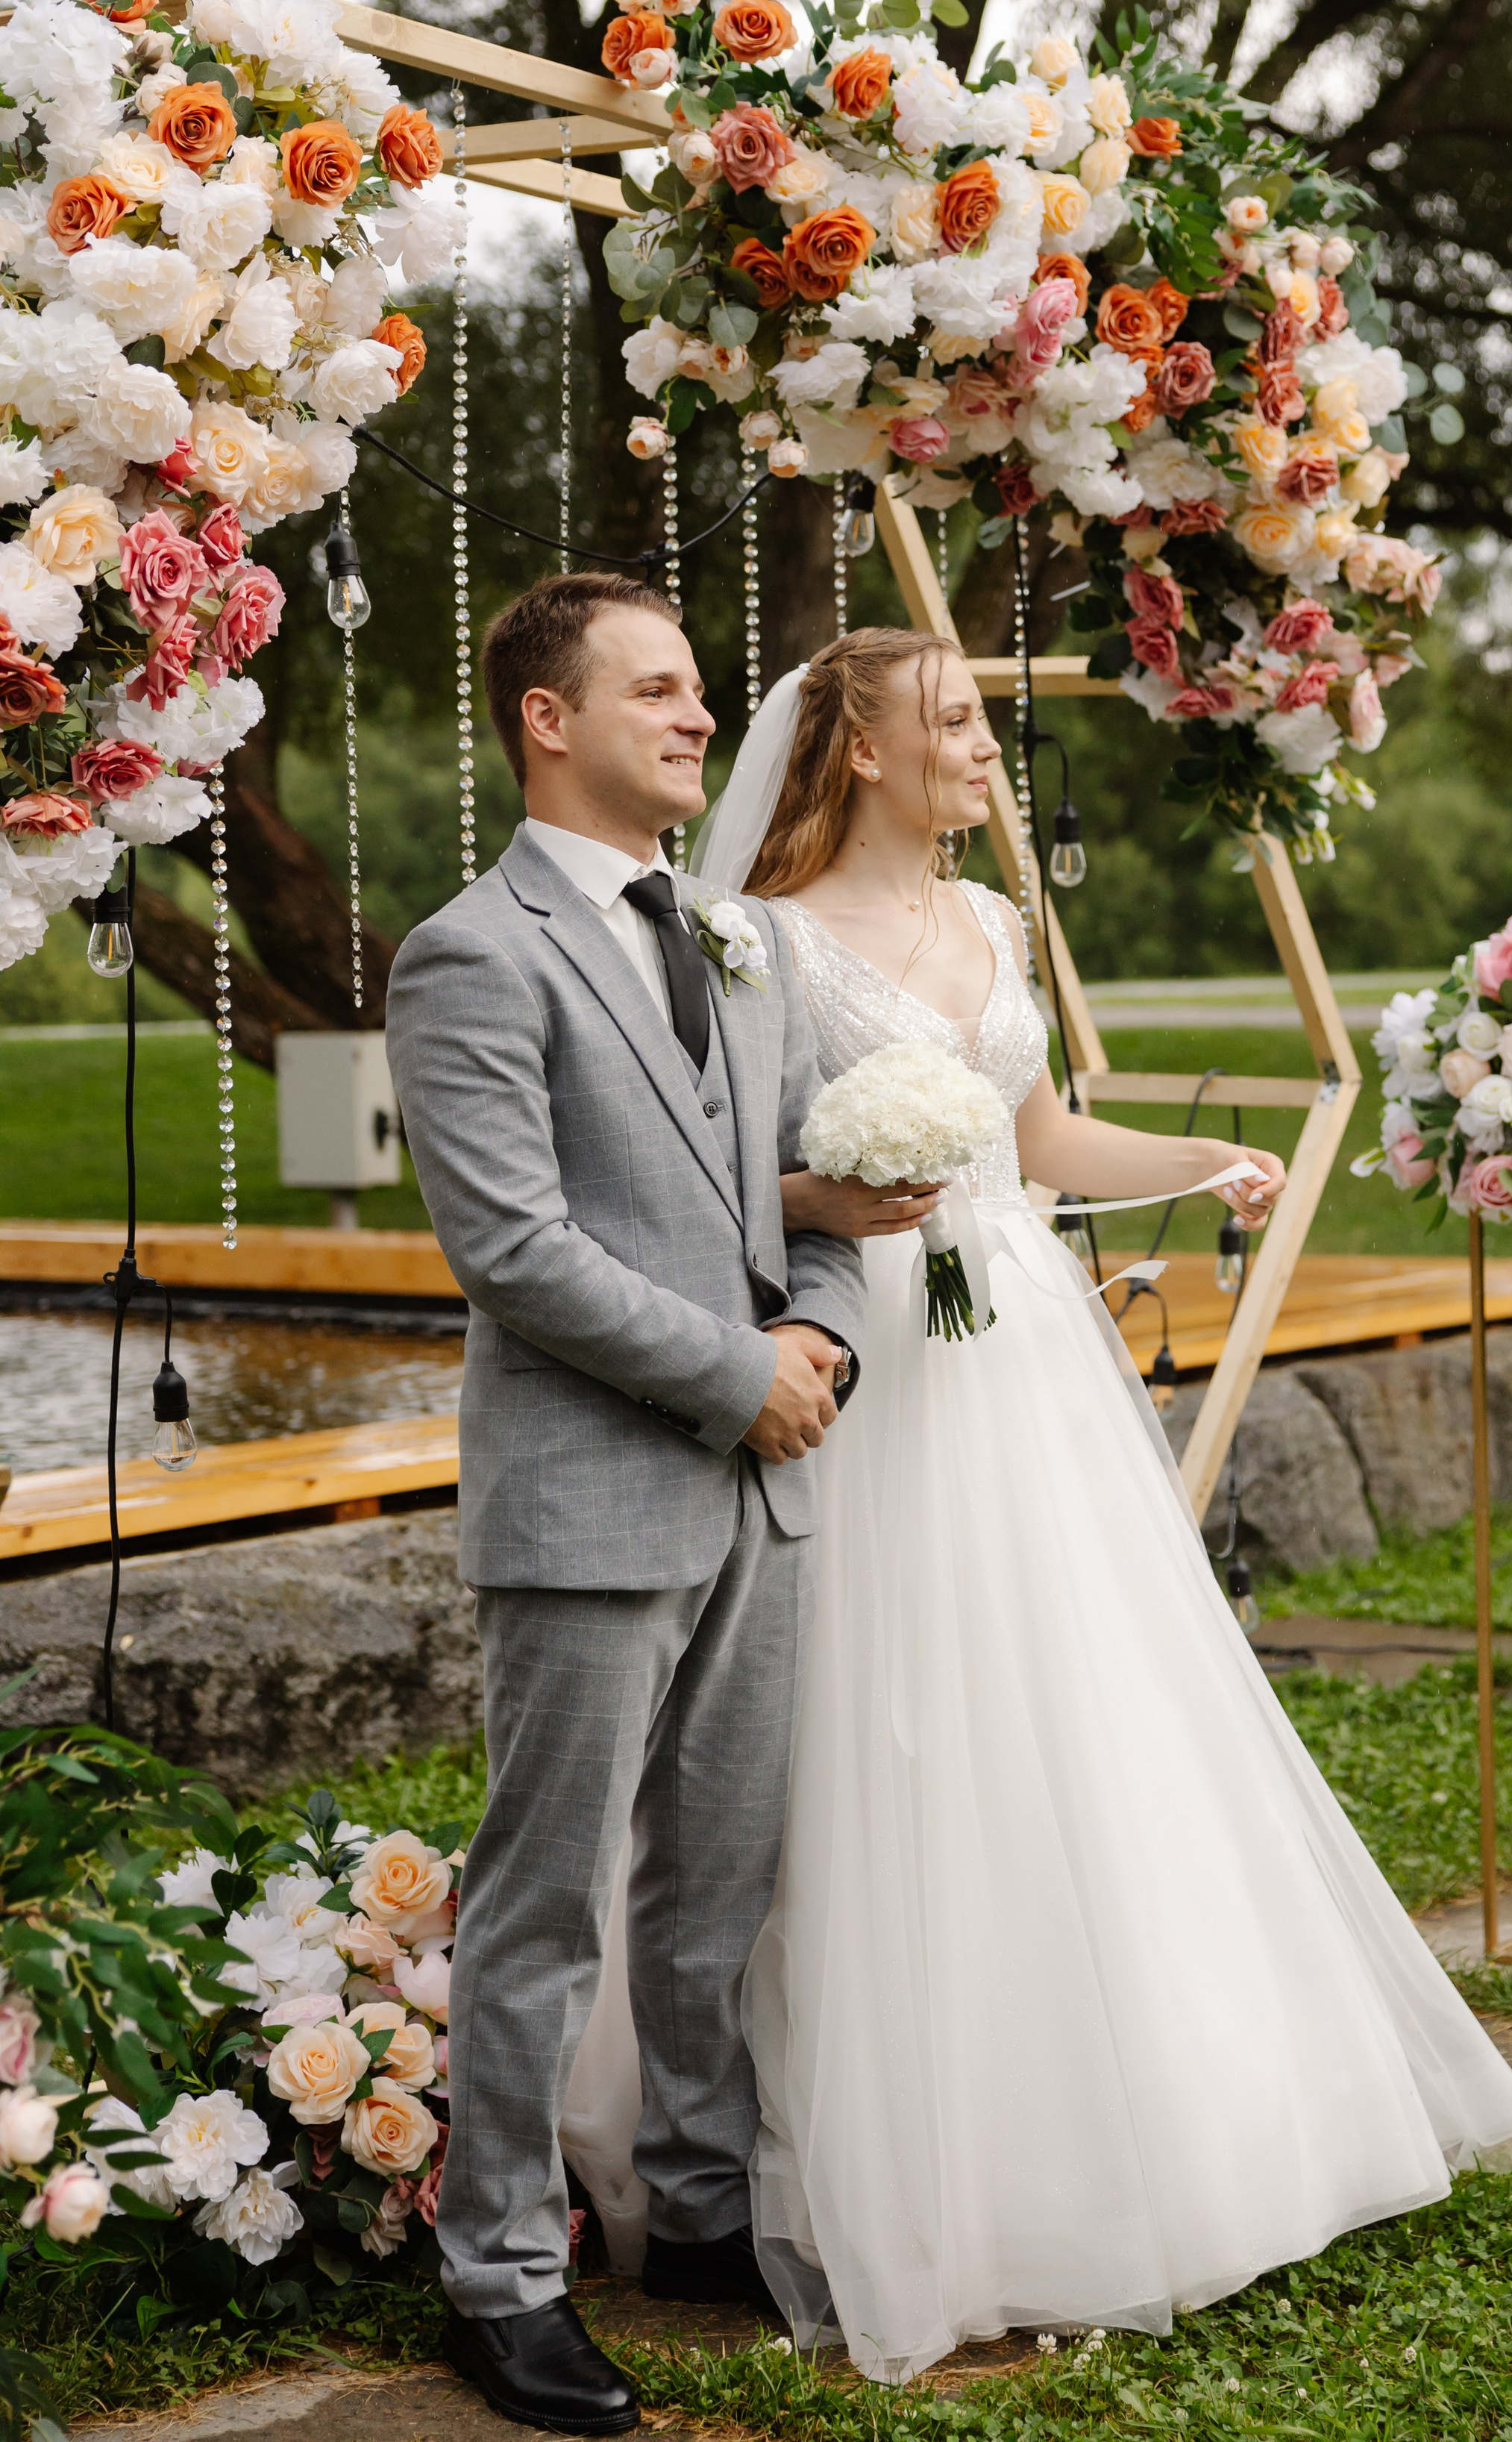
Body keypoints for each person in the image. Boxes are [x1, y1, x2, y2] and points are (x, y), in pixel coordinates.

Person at [675, 626, 1512, 2383]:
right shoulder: (757, 940)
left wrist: (1200, 1158)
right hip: (873, 1349)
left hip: (1023, 1350)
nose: (981, 749)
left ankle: (1172, 2121)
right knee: (896, 1722)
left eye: (978, 722)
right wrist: (834, 1197)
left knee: (1088, 1697)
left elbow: (1042, 1143)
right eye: (949, 722)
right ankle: (918, 2153)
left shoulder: (995, 923)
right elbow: (713, 1171)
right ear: (860, 752)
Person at [385, 573, 865, 2437]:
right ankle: (499, 2277)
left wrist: (821, 1336)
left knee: (717, 1888)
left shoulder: (736, 940)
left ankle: (699, 2207)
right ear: (546, 718)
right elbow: (512, 1249)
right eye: (654, 690)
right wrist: (742, 1374)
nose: (698, 716)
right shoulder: (470, 954)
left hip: (764, 1495)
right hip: (589, 1503)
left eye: (696, 689)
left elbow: (810, 1186)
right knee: (545, 1905)